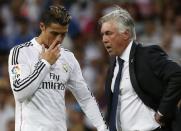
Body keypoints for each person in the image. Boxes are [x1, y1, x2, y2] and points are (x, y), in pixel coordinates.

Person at [8, 5, 108, 131]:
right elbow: (20, 93)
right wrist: (45, 63)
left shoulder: (68, 57)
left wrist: (103, 127)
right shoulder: (20, 52)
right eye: (54, 33)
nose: (59, 39)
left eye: (63, 34)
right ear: (42, 26)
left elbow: (86, 98)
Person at [98, 6, 181, 131]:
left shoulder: (146, 54)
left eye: (109, 33)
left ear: (125, 34)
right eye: (103, 34)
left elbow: (177, 75)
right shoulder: (113, 67)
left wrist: (162, 112)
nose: (104, 39)